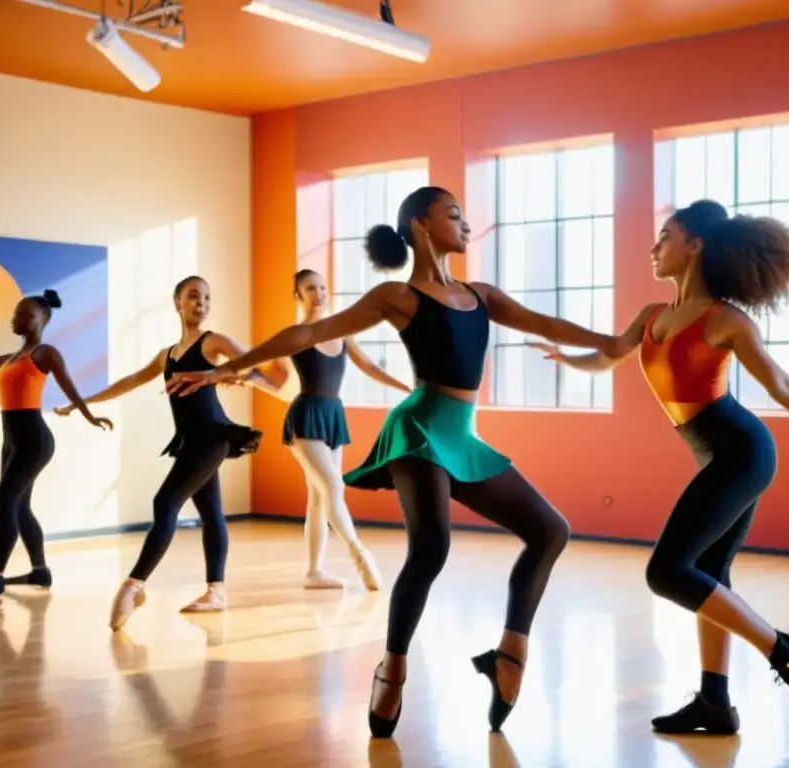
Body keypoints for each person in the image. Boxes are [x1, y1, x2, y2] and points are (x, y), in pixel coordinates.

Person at [166, 186, 629, 737]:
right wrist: (227, 369)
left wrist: (617, 342)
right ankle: (393, 665)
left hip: (462, 435)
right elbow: (309, 333)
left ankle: (510, 651)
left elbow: (546, 324)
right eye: (453, 213)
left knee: (551, 530)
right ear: (419, 225)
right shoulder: (398, 296)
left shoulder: (482, 295)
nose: (465, 221)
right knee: (432, 546)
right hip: (417, 430)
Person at [531, 199, 789, 734]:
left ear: (696, 245)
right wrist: (567, 357)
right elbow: (609, 356)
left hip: (743, 451)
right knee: (711, 576)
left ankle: (787, 649)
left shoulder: (727, 321)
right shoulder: (651, 317)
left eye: (665, 236)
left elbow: (785, 386)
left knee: (667, 572)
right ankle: (715, 702)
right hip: (713, 452)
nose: (653, 247)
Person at [56, 275, 288, 630]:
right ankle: (216, 591)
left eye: (208, 297)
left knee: (165, 504)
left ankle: (134, 586)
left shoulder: (214, 342)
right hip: (191, 440)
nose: (202, 303)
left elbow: (258, 368)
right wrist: (82, 402)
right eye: (194, 296)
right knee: (211, 512)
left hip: (213, 437)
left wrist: (228, 375)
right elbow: (129, 381)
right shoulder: (167, 356)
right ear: (177, 303)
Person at [282, 268, 410, 590]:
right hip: (306, 415)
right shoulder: (296, 334)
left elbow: (367, 365)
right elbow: (275, 377)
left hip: (333, 414)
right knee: (333, 486)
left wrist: (405, 387)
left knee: (319, 494)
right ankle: (360, 555)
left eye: (323, 287)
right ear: (298, 294)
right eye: (311, 288)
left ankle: (314, 572)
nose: (319, 293)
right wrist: (241, 375)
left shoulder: (341, 331)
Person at [0, 290, 114, 598]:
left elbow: (70, 389)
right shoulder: (6, 360)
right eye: (15, 313)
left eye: (25, 314)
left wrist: (89, 416)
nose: (16, 318)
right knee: (19, 507)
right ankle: (40, 571)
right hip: (10, 441)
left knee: (5, 500)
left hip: (34, 441)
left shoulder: (45, 353)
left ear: (41, 321)